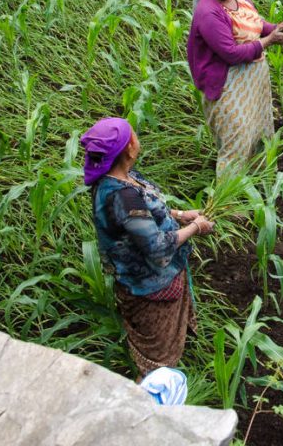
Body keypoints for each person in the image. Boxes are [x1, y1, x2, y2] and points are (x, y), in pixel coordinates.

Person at [82, 117, 214, 378]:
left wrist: (181, 214)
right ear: (130, 148)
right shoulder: (122, 196)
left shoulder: (123, 179)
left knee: (164, 346)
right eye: (134, 135)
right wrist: (196, 228)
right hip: (149, 284)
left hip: (151, 277)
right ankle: (152, 394)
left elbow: (146, 212)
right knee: (158, 363)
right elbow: (156, 247)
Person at [187, 0, 283, 179]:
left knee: (257, 133)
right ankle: (227, 204)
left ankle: (257, 181)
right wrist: (269, 41)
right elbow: (231, 53)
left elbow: (255, 23)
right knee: (236, 143)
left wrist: (276, 29)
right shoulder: (209, 12)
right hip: (228, 85)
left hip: (253, 82)